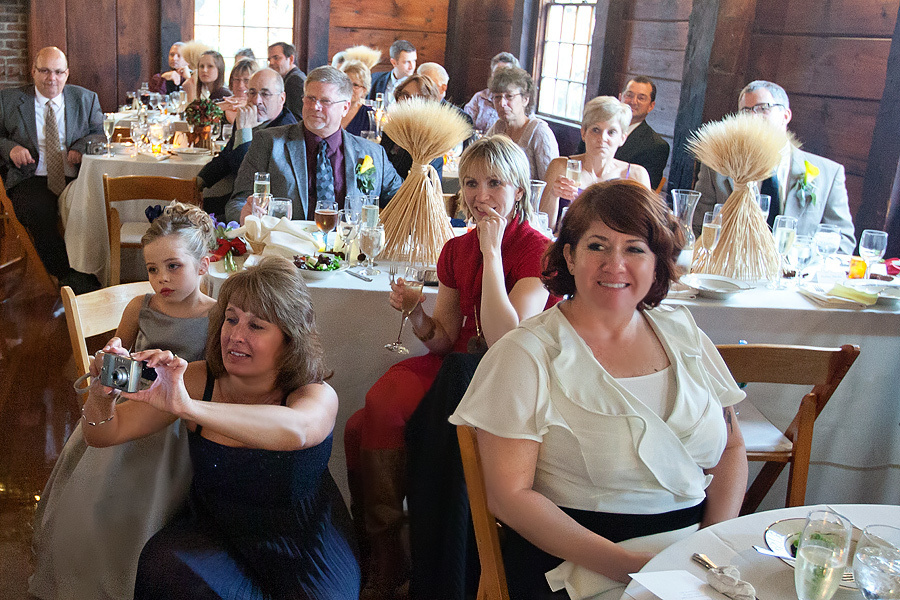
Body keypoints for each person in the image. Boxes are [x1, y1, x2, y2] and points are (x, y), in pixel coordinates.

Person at [450, 180, 748, 600]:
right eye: (597, 246)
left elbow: (732, 448)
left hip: (690, 568)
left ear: (657, 262)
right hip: (576, 571)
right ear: (568, 256)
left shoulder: (683, 332)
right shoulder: (526, 354)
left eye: (635, 248)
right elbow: (508, 497)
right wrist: (635, 570)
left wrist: (709, 547)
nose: (615, 264)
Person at [344, 135, 555, 599]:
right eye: (473, 183)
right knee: (363, 421)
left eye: (495, 183)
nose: (481, 196)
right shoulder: (456, 249)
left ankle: (412, 559)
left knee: (373, 422)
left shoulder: (537, 250)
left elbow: (507, 339)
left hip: (507, 377)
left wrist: (494, 251)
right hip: (457, 366)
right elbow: (441, 338)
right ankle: (388, 554)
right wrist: (417, 312)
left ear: (518, 191)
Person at [80, 256, 360, 600]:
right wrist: (101, 397)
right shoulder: (199, 379)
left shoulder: (314, 394)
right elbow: (101, 434)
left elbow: (297, 431)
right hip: (217, 531)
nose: (236, 336)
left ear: (290, 337)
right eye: (231, 320)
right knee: (163, 566)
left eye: (256, 326)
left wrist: (188, 407)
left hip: (303, 541)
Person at [30, 202, 217, 600]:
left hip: (178, 429)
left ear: (203, 265)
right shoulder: (141, 307)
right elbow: (119, 351)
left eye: (173, 266)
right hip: (126, 417)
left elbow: (213, 381)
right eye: (152, 269)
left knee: (151, 512)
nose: (161, 279)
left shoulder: (216, 317)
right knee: (100, 503)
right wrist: (113, 354)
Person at [694, 80, 856, 253]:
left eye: (763, 108)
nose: (753, 117)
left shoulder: (828, 174)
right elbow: (698, 228)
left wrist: (803, 259)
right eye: (746, 111)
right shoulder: (718, 169)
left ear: (785, 116)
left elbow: (843, 241)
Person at [227, 66, 403, 224]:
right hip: (288, 253)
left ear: (345, 107)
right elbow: (238, 201)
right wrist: (245, 215)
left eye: (325, 101)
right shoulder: (269, 143)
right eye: (310, 98)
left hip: (349, 251)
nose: (315, 106)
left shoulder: (371, 153)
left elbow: (402, 200)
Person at [0, 46, 103, 294]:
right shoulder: (9, 100)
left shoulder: (85, 99)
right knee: (38, 210)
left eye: (58, 72)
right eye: (44, 71)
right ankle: (68, 274)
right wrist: (10, 148)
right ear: (33, 71)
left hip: (74, 175)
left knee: (93, 206)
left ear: (67, 74)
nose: (51, 78)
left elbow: (99, 134)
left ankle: (92, 270)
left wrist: (81, 146)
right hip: (29, 176)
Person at [198, 68, 296, 220]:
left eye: (265, 94)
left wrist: (244, 132)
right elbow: (226, 157)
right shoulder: (248, 117)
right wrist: (200, 180)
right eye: (252, 93)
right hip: (237, 201)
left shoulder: (286, 132)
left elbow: (246, 174)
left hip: (263, 211)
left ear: (281, 98)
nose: (256, 101)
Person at [541, 96, 651, 230]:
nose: (602, 138)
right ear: (583, 133)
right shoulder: (561, 166)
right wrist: (553, 195)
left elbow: (646, 228)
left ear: (622, 138)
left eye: (611, 132)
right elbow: (544, 228)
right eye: (596, 130)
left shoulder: (636, 175)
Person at [576, 77, 670, 191]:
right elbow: (577, 161)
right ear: (620, 97)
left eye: (641, 98)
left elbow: (645, 190)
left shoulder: (656, 145)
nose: (633, 101)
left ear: (651, 106)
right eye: (629, 95)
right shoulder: (596, 127)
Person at [486, 66, 559, 180]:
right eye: (497, 97)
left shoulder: (539, 132)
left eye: (509, 96)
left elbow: (550, 185)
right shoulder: (498, 128)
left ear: (525, 99)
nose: (502, 103)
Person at [380, 74, 445, 180]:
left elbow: (428, 187)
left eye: (417, 98)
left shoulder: (430, 141)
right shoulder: (390, 131)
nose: (409, 102)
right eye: (405, 95)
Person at [464, 52, 519, 132]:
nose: (500, 77)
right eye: (497, 72)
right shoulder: (479, 98)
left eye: (506, 73)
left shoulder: (519, 100)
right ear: (492, 75)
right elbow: (464, 125)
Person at [368, 40, 416, 107]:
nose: (412, 67)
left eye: (414, 61)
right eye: (407, 62)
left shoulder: (417, 85)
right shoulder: (375, 79)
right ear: (394, 62)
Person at [268, 42, 307, 120]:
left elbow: (295, 118)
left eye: (276, 58)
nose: (271, 63)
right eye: (269, 59)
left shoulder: (294, 81)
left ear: (291, 59)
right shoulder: (292, 77)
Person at [339, 59, 375, 136]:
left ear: (364, 90)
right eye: (347, 82)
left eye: (355, 85)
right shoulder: (331, 108)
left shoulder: (369, 116)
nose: (350, 88)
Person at [219, 58, 260, 124]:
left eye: (246, 80)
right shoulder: (221, 103)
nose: (240, 85)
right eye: (237, 80)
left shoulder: (260, 110)